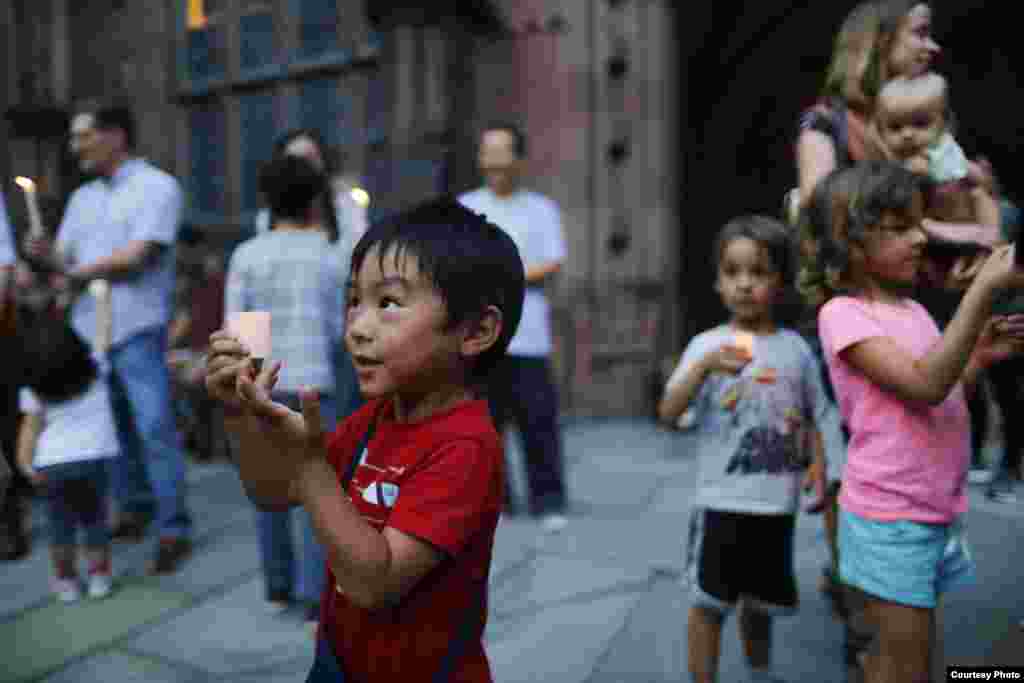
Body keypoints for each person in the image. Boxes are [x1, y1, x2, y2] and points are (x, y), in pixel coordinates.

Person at [205, 197, 524, 682]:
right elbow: (270, 492)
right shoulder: (375, 418)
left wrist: (310, 465)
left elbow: (374, 583)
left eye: (388, 303)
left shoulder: (465, 447)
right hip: (339, 661)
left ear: (477, 330)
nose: (356, 327)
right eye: (354, 300)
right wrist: (237, 412)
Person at [801, 160, 1024, 683]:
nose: (920, 237)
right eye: (900, 227)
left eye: (918, 223)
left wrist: (977, 359)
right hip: (889, 521)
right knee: (907, 667)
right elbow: (923, 383)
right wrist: (979, 295)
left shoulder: (915, 312)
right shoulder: (844, 315)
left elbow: (936, 395)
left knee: (903, 658)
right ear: (851, 242)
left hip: (927, 512)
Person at [24, 102, 192, 574]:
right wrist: (43, 255)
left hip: (137, 326)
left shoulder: (158, 187)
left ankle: (173, 527)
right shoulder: (82, 199)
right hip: (88, 335)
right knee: (112, 430)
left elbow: (138, 256)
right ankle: (134, 508)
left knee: (154, 427)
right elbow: (62, 264)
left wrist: (67, 268)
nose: (75, 146)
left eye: (84, 136)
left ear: (116, 135)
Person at [659, 216, 828, 683]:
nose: (745, 284)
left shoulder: (796, 350)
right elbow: (668, 413)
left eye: (759, 272)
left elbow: (814, 414)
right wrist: (705, 369)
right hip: (720, 502)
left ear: (781, 281)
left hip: (776, 505)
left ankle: (759, 674)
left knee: (761, 604)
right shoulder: (706, 346)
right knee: (708, 604)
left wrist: (818, 462)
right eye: (733, 272)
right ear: (717, 280)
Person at [224, 155, 345, 622]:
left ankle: (277, 586)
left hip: (264, 387)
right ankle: (316, 593)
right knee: (317, 490)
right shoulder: (329, 255)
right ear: (314, 200)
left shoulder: (248, 256)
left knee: (268, 487)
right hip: (317, 386)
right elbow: (339, 328)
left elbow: (241, 337)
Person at [458, 122, 569, 532]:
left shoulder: (542, 209)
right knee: (486, 425)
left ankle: (549, 501)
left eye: (504, 152)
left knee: (537, 422)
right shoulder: (465, 206)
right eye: (489, 151)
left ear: (519, 159)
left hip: (529, 334)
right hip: (481, 334)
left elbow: (552, 263)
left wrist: (502, 274)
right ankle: (497, 503)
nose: (496, 161)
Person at [15, 280, 118, 602]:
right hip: (94, 460)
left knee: (60, 528)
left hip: (53, 465)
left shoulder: (34, 390)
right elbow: (103, 333)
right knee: (94, 521)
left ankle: (66, 582)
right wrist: (102, 298)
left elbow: (30, 431)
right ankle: (99, 576)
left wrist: (24, 464)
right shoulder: (96, 371)